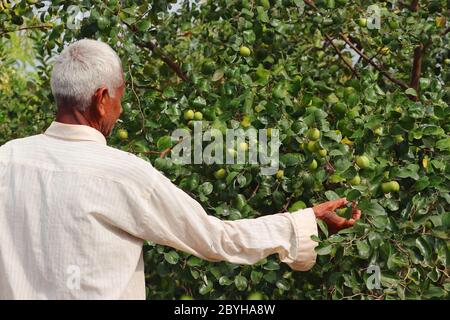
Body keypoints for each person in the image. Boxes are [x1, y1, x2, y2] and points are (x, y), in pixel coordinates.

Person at [0, 39, 361, 299]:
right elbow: (216, 238)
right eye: (120, 99)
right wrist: (304, 221)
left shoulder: (7, 160)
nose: (120, 112)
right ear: (102, 99)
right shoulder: (125, 175)